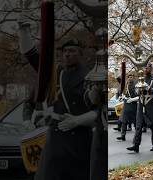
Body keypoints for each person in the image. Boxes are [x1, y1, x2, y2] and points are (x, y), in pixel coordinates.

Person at [18, 16, 98, 179]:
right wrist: (23, 30)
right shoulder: (55, 73)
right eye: (65, 51)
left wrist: (77, 120)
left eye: (72, 51)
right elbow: (31, 55)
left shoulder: (90, 76)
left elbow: (98, 113)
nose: (67, 54)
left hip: (80, 143)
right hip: (55, 140)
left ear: (80, 54)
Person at [126, 64, 153, 153]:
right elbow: (135, 92)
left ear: (151, 69)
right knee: (138, 125)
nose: (145, 69)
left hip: (150, 104)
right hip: (141, 104)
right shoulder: (140, 80)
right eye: (144, 68)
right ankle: (136, 145)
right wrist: (138, 91)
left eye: (147, 68)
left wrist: (149, 90)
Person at [116, 72, 138, 141]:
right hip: (126, 104)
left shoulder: (136, 85)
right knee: (123, 120)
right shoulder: (126, 85)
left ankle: (137, 136)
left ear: (133, 78)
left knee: (136, 122)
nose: (129, 78)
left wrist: (132, 99)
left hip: (133, 105)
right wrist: (122, 97)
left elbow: (139, 95)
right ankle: (123, 135)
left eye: (131, 77)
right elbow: (124, 94)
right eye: (128, 77)